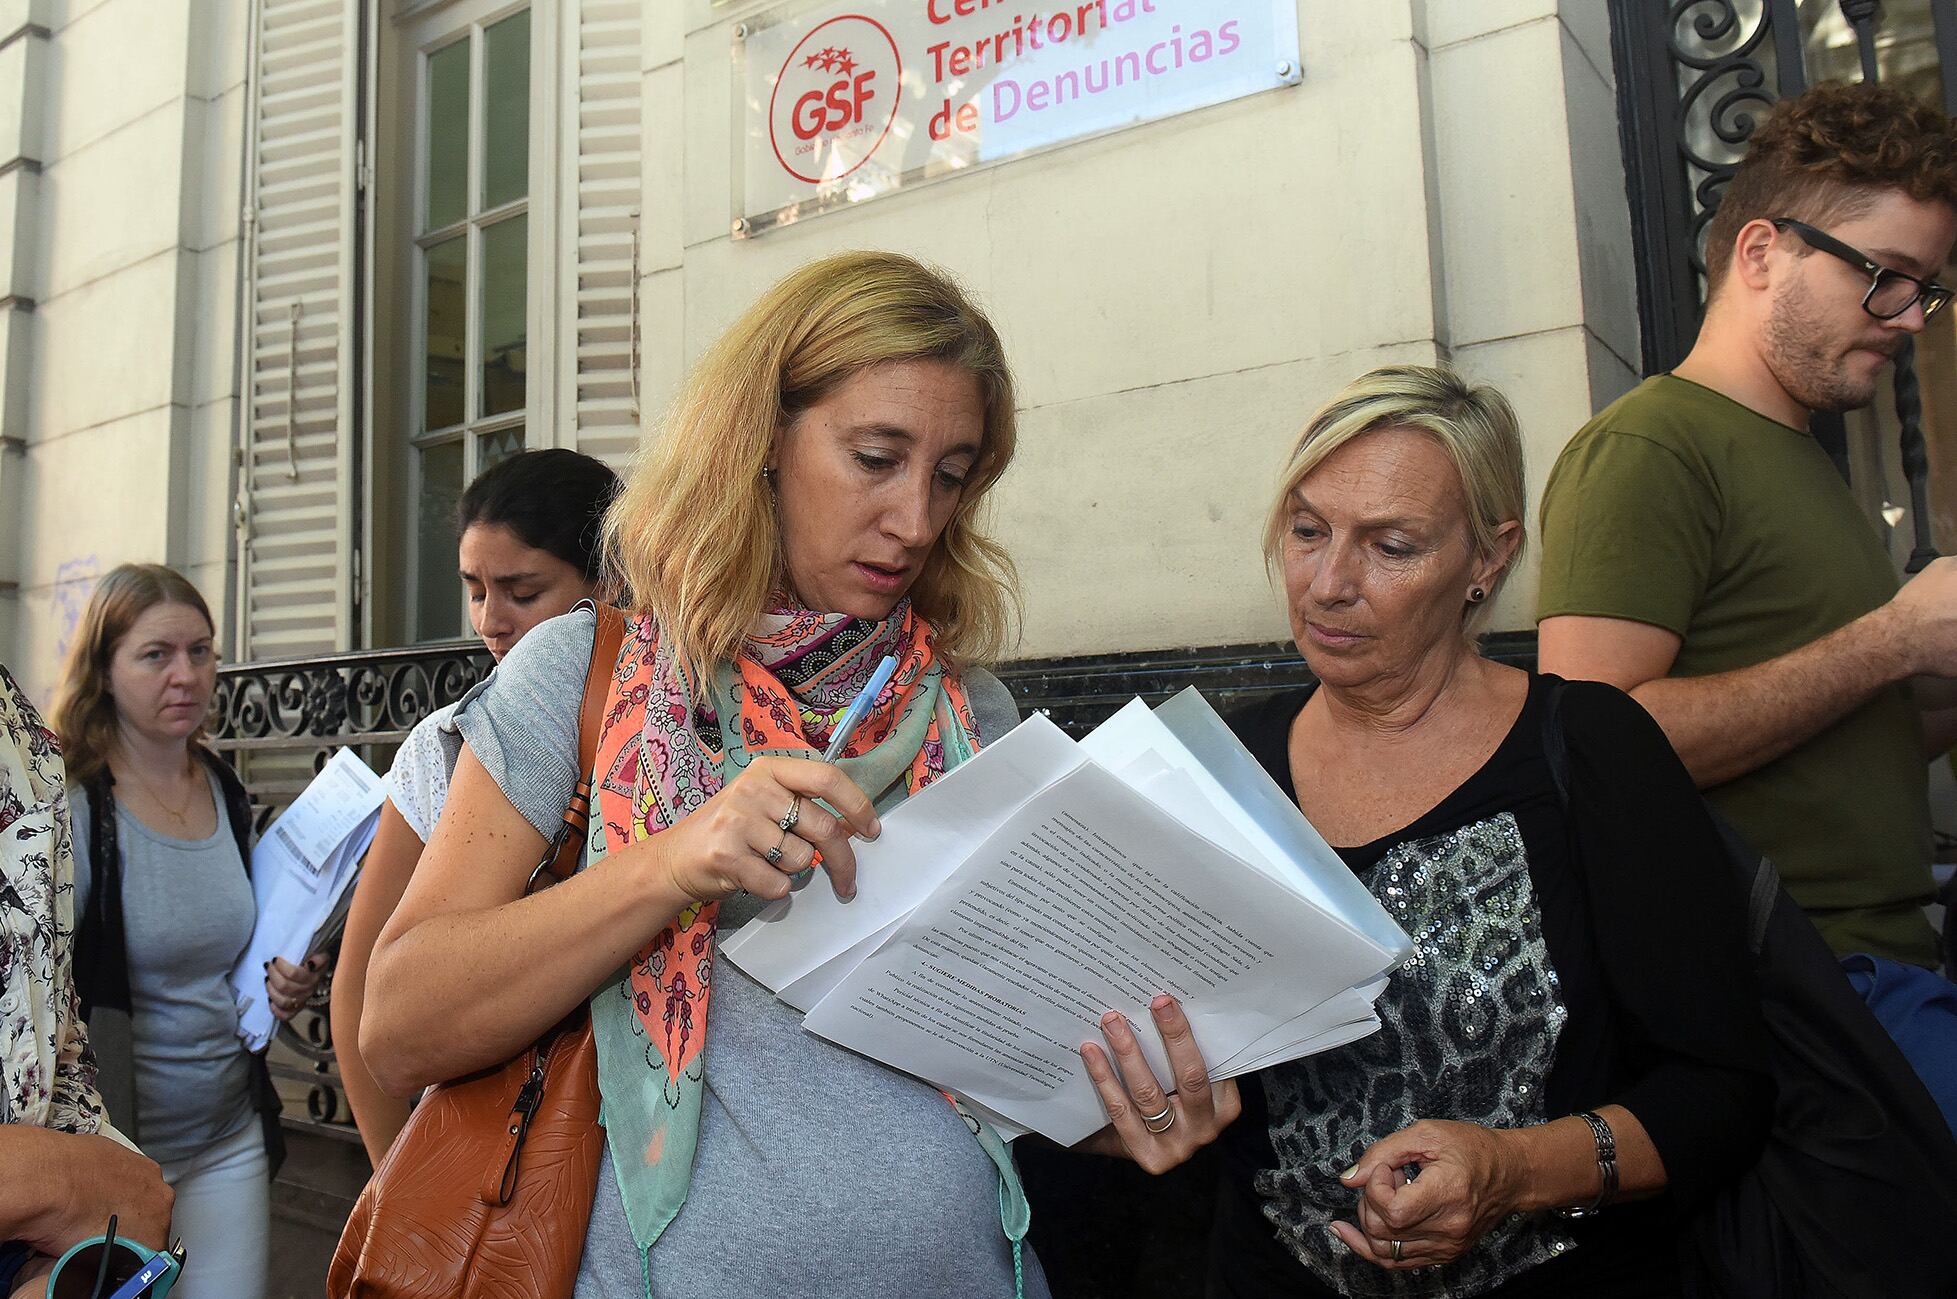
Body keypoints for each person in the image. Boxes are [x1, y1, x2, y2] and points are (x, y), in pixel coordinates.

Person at [361, 251, 1233, 1298]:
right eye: (876, 458)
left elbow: (1004, 1068)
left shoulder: (971, 715)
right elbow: (398, 1025)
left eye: (950, 475)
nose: (916, 520)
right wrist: (670, 864)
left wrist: (1127, 1107)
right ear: (762, 442)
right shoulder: (581, 673)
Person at [1210, 365, 1772, 1297]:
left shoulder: (1589, 748)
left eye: (1391, 546)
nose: (1328, 583)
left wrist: (1512, 1169)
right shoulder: (1225, 764)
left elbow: (1719, 1092)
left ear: (1487, 557)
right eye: (1307, 531)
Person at [1535, 82, 1957, 1123]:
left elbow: (1850, 738)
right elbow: (1595, 748)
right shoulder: (1650, 445)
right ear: (1762, 252)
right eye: (1884, 278)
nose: (1908, 318)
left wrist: (1930, 665)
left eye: (1923, 289)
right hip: (1802, 995)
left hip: (1884, 973)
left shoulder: (1804, 460)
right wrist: (1892, 637)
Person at [333, 448, 621, 1166]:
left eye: (522, 590)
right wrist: (392, 1184)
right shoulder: (442, 747)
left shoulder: (678, 724)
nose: (491, 620)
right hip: (499, 1158)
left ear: (609, 581)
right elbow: (359, 992)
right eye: (474, 589)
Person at [51, 564, 325, 1299]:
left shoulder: (222, 785)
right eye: (156, 655)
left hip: (229, 1135)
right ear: (104, 671)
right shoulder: (77, 808)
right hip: (119, 1152)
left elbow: (236, 947)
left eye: (200, 651)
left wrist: (284, 978)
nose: (186, 674)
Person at [0, 660, 174, 1298]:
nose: (184, 675)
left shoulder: (19, 731)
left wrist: (58, 1266)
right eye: (155, 655)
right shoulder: (84, 792)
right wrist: (61, 1183)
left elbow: (46, 1024)